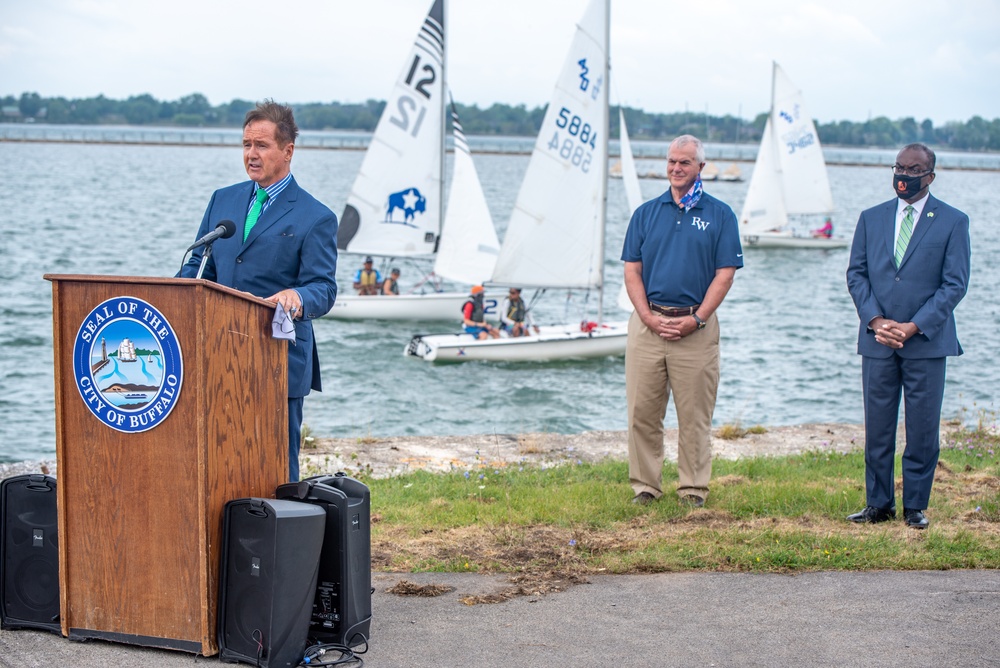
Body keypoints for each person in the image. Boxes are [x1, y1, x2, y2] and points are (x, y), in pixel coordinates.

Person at [180, 100, 338, 483]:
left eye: (262, 145)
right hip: (218, 354)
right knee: (218, 461)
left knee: (276, 469)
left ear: (288, 151)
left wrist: (297, 298)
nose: (251, 154)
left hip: (277, 358)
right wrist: (178, 295)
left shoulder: (316, 216)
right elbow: (203, 264)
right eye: (247, 144)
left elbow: (324, 288)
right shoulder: (224, 199)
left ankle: (287, 540)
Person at [845, 143, 970, 529]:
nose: (903, 174)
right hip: (878, 342)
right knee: (878, 429)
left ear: (929, 176)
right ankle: (877, 504)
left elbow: (954, 285)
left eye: (913, 169)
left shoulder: (952, 221)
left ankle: (916, 506)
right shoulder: (871, 218)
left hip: (927, 344)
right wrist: (876, 321)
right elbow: (857, 274)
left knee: (922, 430)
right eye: (898, 166)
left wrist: (913, 326)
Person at [620, 135, 744, 508]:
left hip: (696, 330)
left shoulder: (720, 214)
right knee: (642, 412)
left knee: (694, 417)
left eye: (685, 162)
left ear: (700, 167)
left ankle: (692, 489)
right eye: (672, 161)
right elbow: (632, 270)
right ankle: (645, 486)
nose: (676, 168)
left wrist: (698, 319)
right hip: (648, 326)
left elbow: (725, 274)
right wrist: (647, 317)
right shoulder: (646, 213)